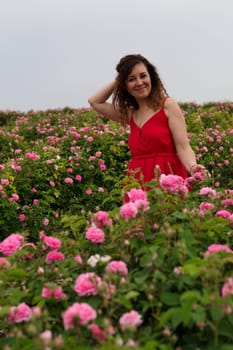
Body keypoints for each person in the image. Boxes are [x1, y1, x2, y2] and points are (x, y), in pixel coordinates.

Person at [88, 54, 208, 190]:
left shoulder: (168, 105)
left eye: (143, 76)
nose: (139, 82)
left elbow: (183, 147)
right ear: (125, 85)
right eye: (131, 79)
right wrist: (119, 78)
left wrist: (193, 166)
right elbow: (95, 101)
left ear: (151, 77)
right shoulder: (131, 114)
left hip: (168, 181)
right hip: (137, 183)